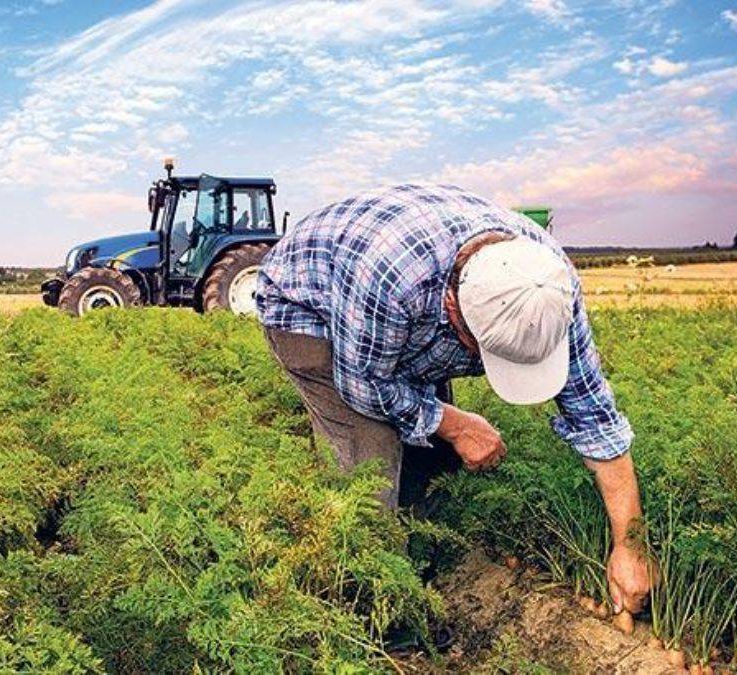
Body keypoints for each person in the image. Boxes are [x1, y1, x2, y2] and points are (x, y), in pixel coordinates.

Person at [255, 183, 653, 614]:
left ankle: (422, 568)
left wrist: (631, 545)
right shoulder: (392, 279)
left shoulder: (548, 286)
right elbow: (365, 385)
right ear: (452, 310)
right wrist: (458, 424)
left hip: (397, 313)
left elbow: (594, 417)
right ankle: (372, 608)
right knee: (369, 466)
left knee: (431, 457)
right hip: (310, 307)